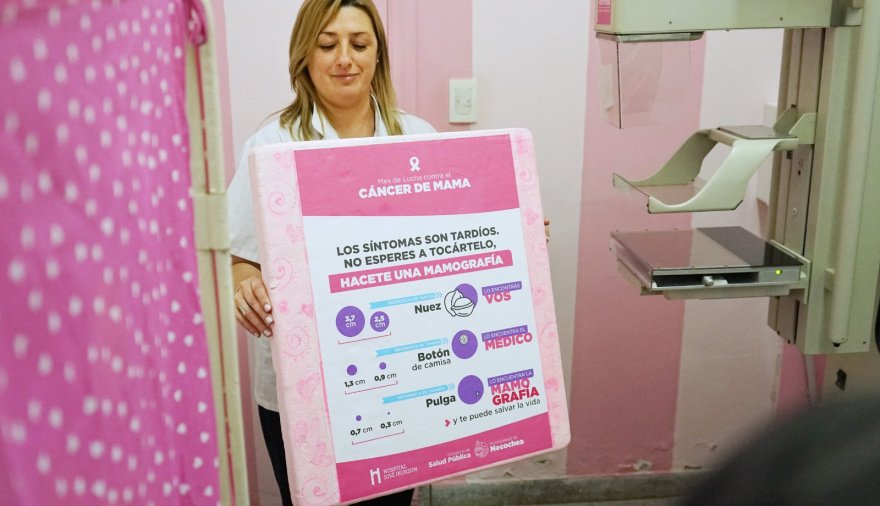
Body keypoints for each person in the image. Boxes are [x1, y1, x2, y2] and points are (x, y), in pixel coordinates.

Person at [226, 1, 435, 504]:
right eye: (327, 44)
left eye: (359, 44)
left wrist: (512, 233)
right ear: (305, 55)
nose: (344, 58)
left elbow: (449, 239)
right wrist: (244, 285)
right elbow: (239, 256)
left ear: (378, 55)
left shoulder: (417, 139)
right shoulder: (271, 146)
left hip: (400, 372)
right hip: (302, 385)